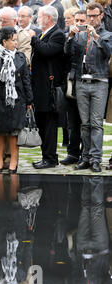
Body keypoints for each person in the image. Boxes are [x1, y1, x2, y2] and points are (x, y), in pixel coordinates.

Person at [0, 27, 33, 174]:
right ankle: (0, 160)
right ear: (4, 41)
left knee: (14, 131)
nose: (16, 43)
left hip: (17, 98)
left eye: (16, 40)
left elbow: (26, 80)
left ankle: (14, 161)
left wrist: (29, 100)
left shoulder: (20, 57)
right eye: (13, 40)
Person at [65, 3, 111, 172]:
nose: (91, 19)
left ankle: (96, 159)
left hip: (100, 82)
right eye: (89, 16)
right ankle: (86, 157)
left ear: (101, 16)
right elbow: (67, 53)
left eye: (94, 15)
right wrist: (70, 37)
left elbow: (108, 52)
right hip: (81, 82)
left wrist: (97, 37)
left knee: (97, 124)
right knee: (85, 124)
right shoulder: (80, 35)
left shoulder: (107, 34)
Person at [30, 5, 66, 170]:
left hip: (50, 87)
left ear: (49, 18)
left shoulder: (57, 34)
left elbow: (46, 51)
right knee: (42, 124)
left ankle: (51, 158)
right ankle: (46, 156)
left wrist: (34, 38)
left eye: (40, 16)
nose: (37, 19)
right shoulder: (43, 33)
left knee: (50, 125)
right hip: (40, 86)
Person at [60, 9, 85, 166]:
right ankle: (73, 152)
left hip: (87, 81)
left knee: (86, 122)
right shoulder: (68, 35)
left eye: (82, 21)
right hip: (71, 81)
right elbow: (65, 54)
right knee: (72, 121)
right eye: (77, 20)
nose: (79, 23)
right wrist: (71, 36)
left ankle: (86, 154)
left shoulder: (92, 36)